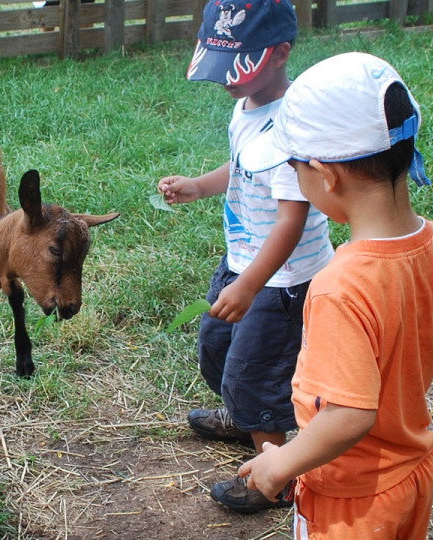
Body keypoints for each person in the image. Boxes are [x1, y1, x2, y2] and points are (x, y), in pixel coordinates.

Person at [235, 52, 433, 538]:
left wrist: (279, 466)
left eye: (294, 168)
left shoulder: (339, 285)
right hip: (414, 470)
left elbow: (348, 416)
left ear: (326, 176)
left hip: (351, 497)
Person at [157, 0, 334, 514]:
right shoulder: (247, 107)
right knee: (216, 348)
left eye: (236, 65)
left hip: (281, 282)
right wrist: (198, 186)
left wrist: (250, 285)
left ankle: (275, 476)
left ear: (280, 53)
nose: (224, 80)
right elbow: (239, 168)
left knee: (254, 374)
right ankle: (245, 417)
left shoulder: (293, 129)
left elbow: (291, 221)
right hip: (244, 263)